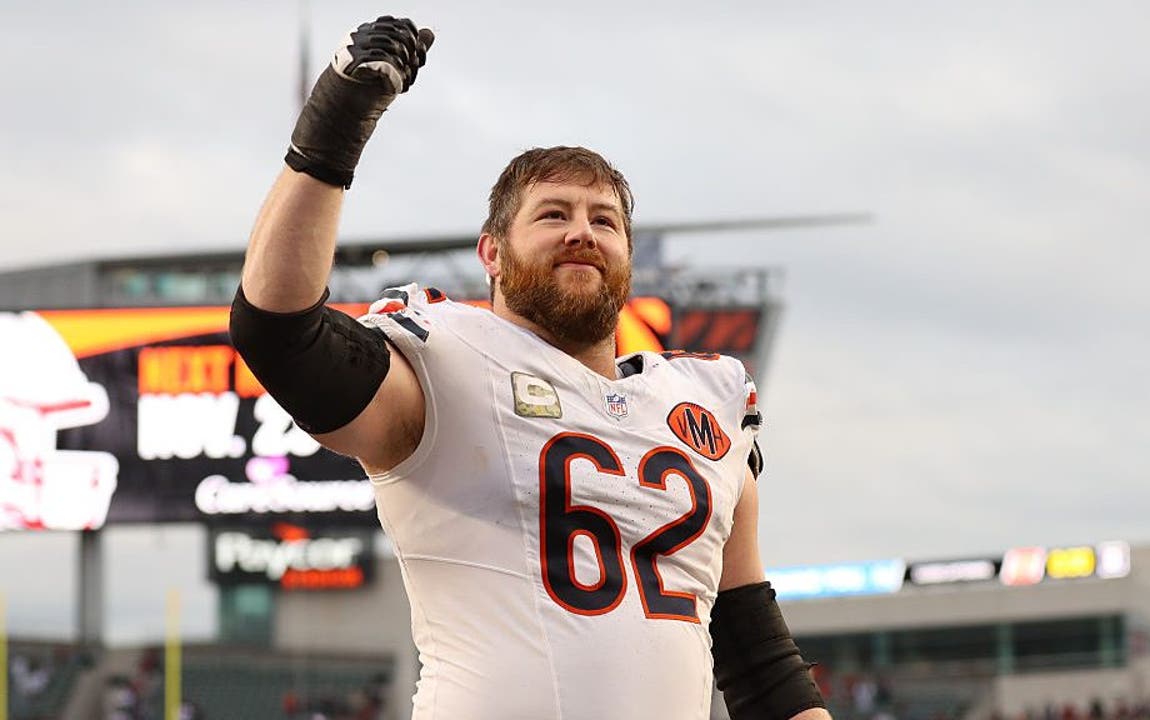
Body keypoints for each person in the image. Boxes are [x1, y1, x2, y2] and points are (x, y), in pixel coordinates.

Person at [229, 15, 829, 720]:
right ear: (492, 253)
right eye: (553, 215)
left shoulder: (708, 405)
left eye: (604, 220)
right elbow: (279, 333)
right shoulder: (447, 364)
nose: (582, 231)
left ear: (628, 257)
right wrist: (334, 126)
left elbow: (759, 662)